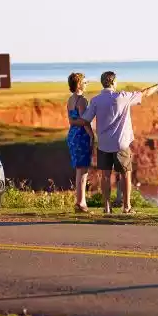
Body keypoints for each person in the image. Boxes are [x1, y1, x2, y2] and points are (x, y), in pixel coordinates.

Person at [76, 71, 158, 214]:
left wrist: (76, 123)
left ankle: (107, 207)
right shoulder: (123, 96)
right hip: (120, 144)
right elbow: (145, 93)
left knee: (105, 176)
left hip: (103, 144)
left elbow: (85, 120)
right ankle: (126, 207)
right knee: (125, 174)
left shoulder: (96, 100)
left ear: (103, 83)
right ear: (113, 82)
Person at [66, 72, 95, 213]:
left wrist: (77, 122)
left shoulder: (70, 100)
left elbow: (71, 121)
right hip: (81, 135)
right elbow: (85, 121)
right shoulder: (82, 100)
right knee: (83, 170)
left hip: (72, 134)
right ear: (78, 84)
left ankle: (80, 201)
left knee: (79, 168)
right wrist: (92, 135)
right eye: (84, 81)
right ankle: (81, 202)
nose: (86, 83)